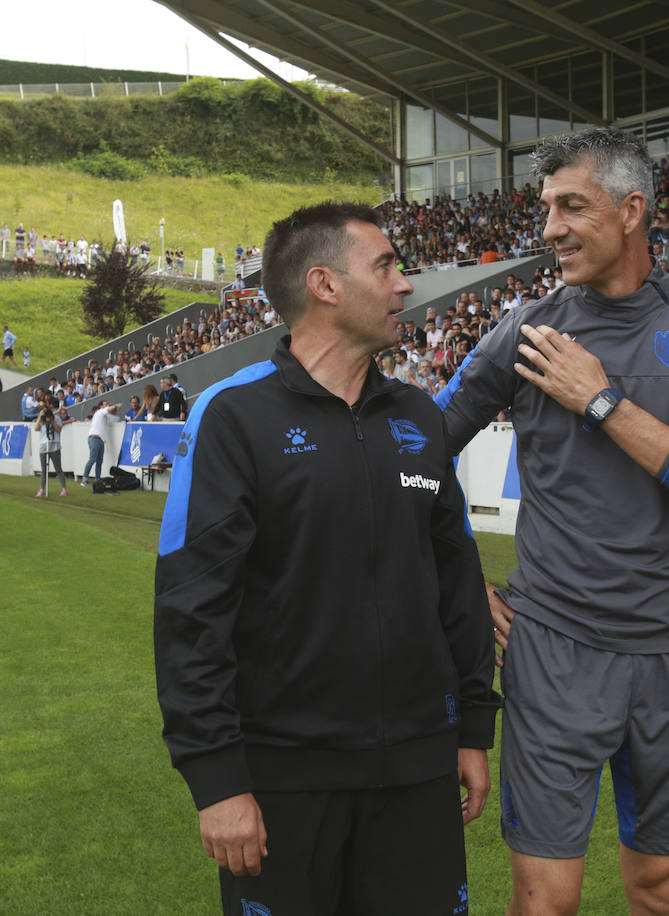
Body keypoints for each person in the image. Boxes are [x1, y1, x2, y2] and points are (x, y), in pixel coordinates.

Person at [436, 128, 669, 916]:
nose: (549, 227)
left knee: (661, 889)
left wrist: (601, 402)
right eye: (547, 208)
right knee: (544, 900)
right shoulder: (526, 329)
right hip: (552, 649)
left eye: (570, 206)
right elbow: (414, 455)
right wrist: (453, 569)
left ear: (631, 210)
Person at [154, 201, 498, 915]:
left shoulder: (419, 417)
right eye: (387, 265)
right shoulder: (231, 416)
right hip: (283, 780)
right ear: (325, 285)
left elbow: (458, 582)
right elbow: (192, 610)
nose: (406, 285)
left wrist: (471, 727)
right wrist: (217, 779)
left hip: (416, 770)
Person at [80, 400, 120, 488]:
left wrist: (114, 408)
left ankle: (97, 480)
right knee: (92, 459)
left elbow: (114, 415)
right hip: (94, 438)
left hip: (100, 440)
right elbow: (111, 409)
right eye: (105, 404)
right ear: (101, 406)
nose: (107, 406)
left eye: (107, 404)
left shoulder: (104, 414)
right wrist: (116, 405)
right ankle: (84, 479)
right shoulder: (100, 412)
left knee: (99, 461)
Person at [34, 397, 68, 498]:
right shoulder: (42, 417)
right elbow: (36, 428)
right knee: (44, 470)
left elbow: (59, 429)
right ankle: (41, 489)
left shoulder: (56, 418)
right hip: (44, 445)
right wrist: (40, 417)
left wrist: (52, 421)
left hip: (54, 445)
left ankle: (64, 488)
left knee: (58, 469)